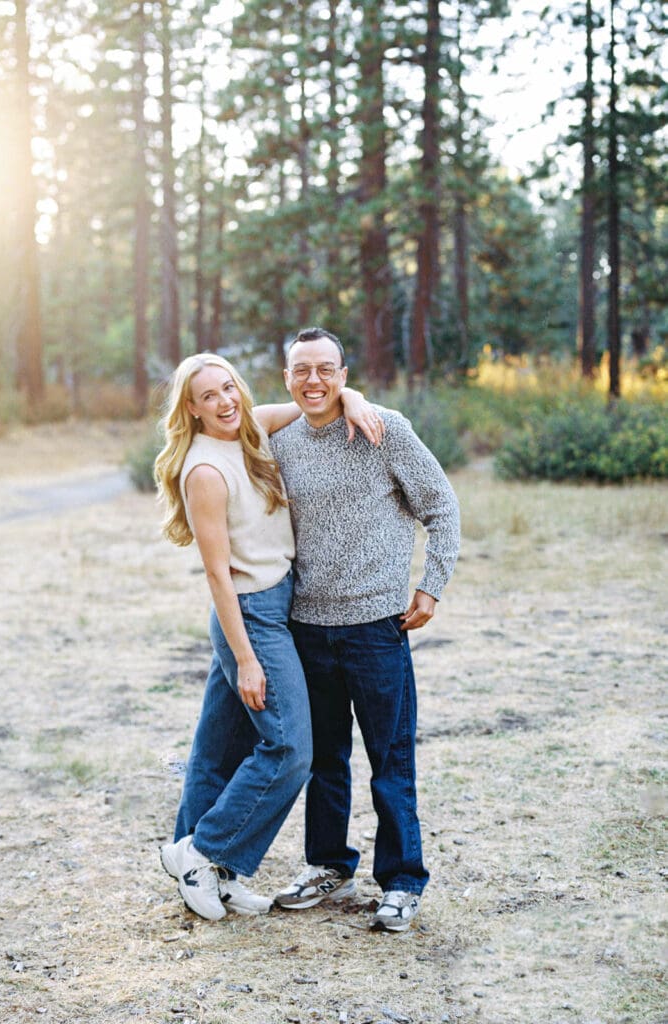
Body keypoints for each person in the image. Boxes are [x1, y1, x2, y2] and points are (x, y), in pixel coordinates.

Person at [154, 352, 382, 921]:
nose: (225, 401)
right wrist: (246, 657)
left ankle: (218, 876)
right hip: (250, 613)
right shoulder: (206, 470)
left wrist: (351, 398)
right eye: (208, 396)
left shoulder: (248, 429)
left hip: (276, 604)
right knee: (289, 748)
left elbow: (310, 405)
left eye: (228, 387)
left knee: (217, 750)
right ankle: (202, 855)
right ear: (192, 408)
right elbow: (217, 575)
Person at [268, 327, 460, 933]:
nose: (314, 381)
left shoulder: (384, 429)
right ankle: (328, 864)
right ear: (287, 379)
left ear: (345, 374)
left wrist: (432, 584)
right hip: (307, 629)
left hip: (377, 627)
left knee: (390, 760)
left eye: (327, 369)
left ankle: (403, 881)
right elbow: (229, 419)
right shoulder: (282, 443)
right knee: (325, 759)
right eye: (302, 370)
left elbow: (441, 503)